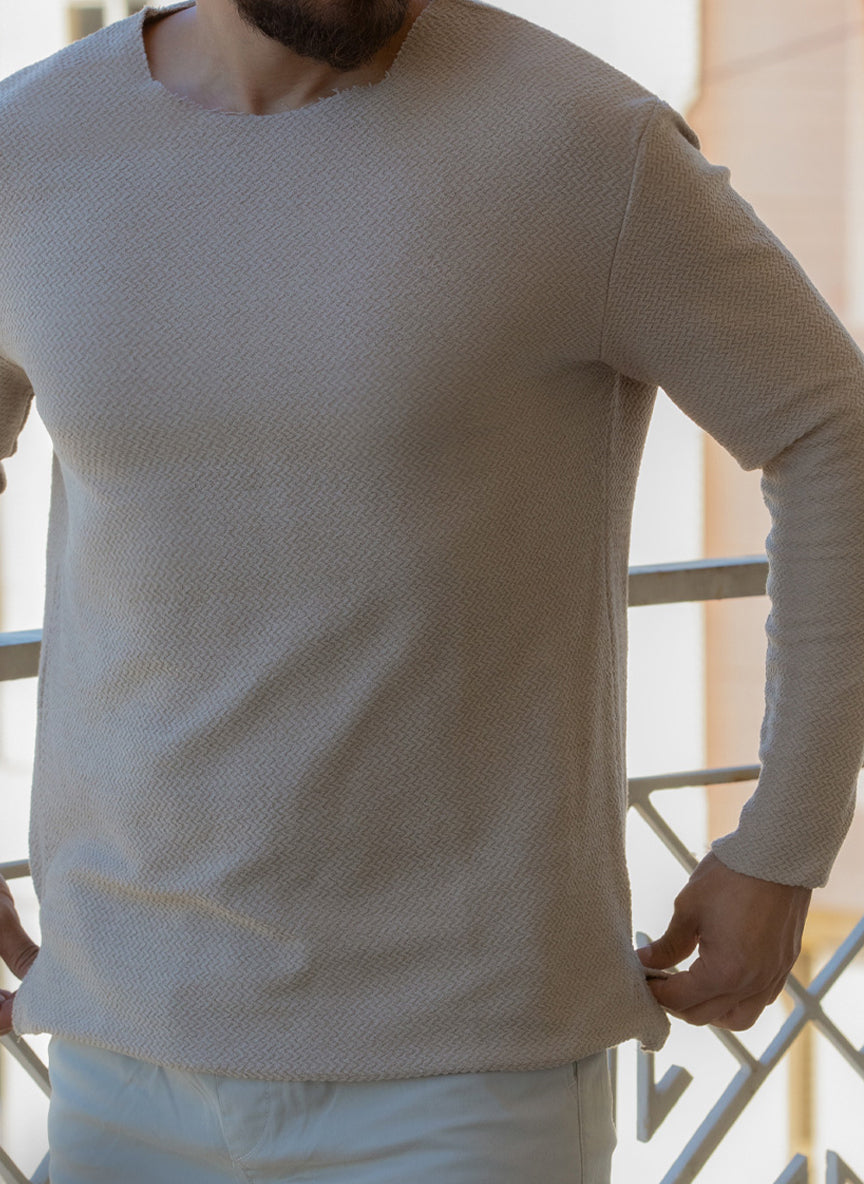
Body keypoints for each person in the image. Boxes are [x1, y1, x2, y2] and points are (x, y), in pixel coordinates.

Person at [0, 0, 858, 1179]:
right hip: (120, 1049)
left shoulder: (584, 143)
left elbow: (830, 429)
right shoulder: (32, 147)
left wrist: (787, 838)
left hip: (466, 1077)